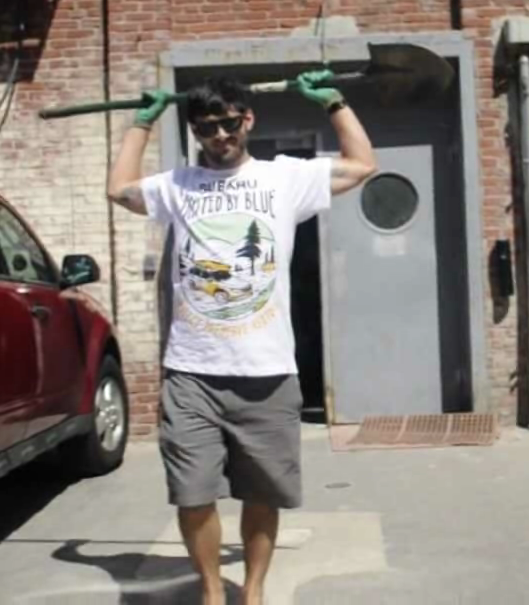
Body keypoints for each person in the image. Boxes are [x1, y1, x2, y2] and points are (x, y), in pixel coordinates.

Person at [106, 70, 377, 605]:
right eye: (206, 128)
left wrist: (334, 103)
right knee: (191, 494)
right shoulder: (179, 185)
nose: (220, 136)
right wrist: (142, 122)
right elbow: (119, 190)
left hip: (267, 372)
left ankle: (252, 592)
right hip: (191, 372)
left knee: (262, 492)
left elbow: (363, 165)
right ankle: (212, 592)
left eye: (229, 123)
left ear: (247, 119)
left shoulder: (284, 177)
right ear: (195, 131)